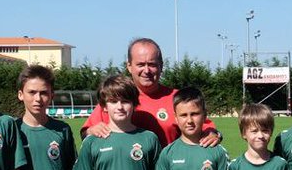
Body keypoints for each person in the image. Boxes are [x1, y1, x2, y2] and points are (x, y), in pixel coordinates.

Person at [81, 37, 221, 147]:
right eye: (140, 64)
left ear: (161, 66)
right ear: (129, 66)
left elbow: (207, 129)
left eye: (152, 64)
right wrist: (91, 131)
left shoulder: (177, 99)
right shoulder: (116, 98)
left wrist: (213, 134)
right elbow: (86, 132)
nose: (146, 70)